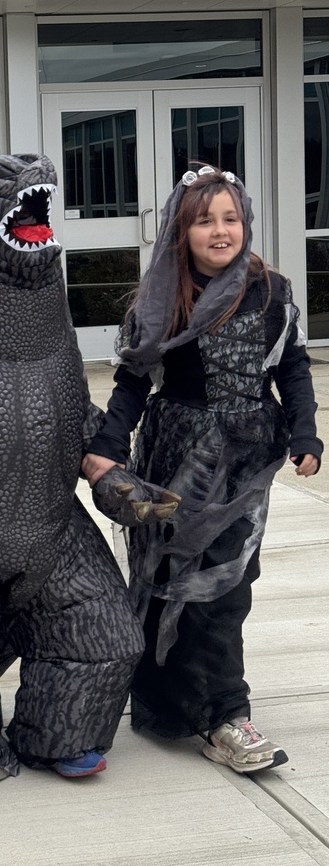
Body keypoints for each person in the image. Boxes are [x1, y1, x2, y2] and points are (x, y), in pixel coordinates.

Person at [83, 164, 323, 775]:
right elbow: (134, 381)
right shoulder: (163, 300)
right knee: (169, 582)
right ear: (179, 231)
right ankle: (169, 706)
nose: (221, 231)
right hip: (177, 459)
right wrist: (107, 446)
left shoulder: (274, 293)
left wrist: (305, 433)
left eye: (231, 218)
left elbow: (292, 369)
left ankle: (226, 713)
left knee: (226, 584)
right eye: (204, 221)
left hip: (245, 462)